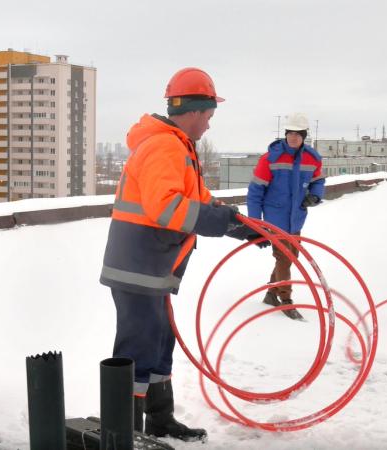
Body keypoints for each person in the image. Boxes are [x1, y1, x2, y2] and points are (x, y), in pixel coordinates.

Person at [99, 67, 259, 441]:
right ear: (195, 111)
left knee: (159, 341)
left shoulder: (176, 145)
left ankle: (159, 419)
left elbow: (197, 200)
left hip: (152, 267)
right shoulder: (164, 145)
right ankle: (125, 433)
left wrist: (240, 225)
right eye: (209, 116)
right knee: (137, 348)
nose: (209, 125)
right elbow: (167, 209)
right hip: (138, 267)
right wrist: (220, 220)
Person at [246, 113, 325, 320]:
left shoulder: (312, 158)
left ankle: (272, 293)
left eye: (297, 134)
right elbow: (255, 192)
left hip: (296, 218)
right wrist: (256, 224)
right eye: (290, 133)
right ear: (285, 134)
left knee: (291, 257)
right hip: (274, 218)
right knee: (285, 257)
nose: (293, 137)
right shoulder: (270, 158)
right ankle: (286, 300)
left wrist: (315, 196)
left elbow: (318, 181)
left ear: (304, 136)